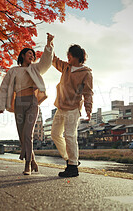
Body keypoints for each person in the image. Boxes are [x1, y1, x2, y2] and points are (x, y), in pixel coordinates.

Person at [0, 33, 54, 175]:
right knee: (22, 136)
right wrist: (0, 106)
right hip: (18, 104)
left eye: (33, 54)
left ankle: (27, 165)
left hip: (32, 103)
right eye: (29, 53)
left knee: (28, 133)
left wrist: (49, 45)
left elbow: (46, 62)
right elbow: (4, 87)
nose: (32, 56)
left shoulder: (35, 68)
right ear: (22, 56)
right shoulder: (13, 71)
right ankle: (32, 159)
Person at [51, 44, 93, 177]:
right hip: (60, 107)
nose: (67, 57)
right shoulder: (65, 67)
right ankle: (69, 159)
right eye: (67, 55)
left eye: (70, 55)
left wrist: (88, 110)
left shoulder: (86, 73)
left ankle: (73, 167)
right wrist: (50, 44)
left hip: (73, 109)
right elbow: (53, 59)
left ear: (77, 56)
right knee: (55, 134)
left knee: (70, 136)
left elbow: (88, 93)